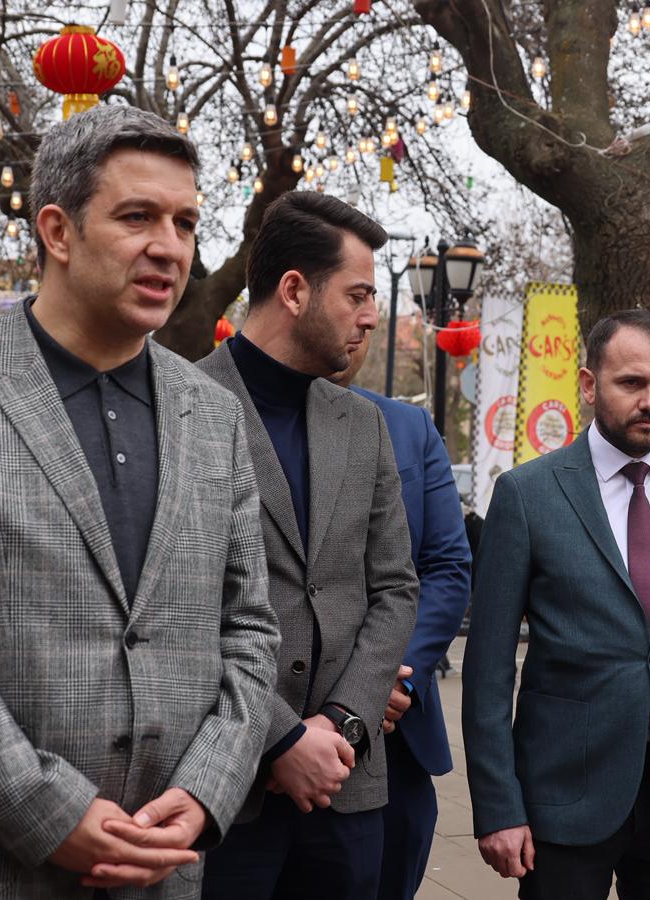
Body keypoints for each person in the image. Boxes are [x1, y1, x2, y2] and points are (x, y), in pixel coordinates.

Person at [0, 105, 281, 898]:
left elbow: (250, 626)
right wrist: (49, 813)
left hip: (160, 867)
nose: (170, 247)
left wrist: (206, 792)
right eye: (137, 217)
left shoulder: (214, 414)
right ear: (57, 231)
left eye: (185, 223)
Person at [463, 310, 650, 900]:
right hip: (562, 797)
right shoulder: (527, 495)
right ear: (589, 385)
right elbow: (487, 670)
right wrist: (497, 806)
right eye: (631, 383)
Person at [197, 191, 419, 899]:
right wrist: (282, 738)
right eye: (358, 294)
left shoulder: (363, 422)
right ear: (295, 291)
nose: (371, 316)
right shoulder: (182, 408)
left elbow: (395, 587)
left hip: (346, 789)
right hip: (222, 786)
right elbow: (173, 608)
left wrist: (344, 723)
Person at [327, 340, 472, 900]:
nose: (363, 323)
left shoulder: (410, 427)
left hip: (399, 736)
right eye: (353, 300)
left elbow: (448, 567)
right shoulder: (228, 409)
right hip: (283, 733)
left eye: (370, 302)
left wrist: (394, 678)